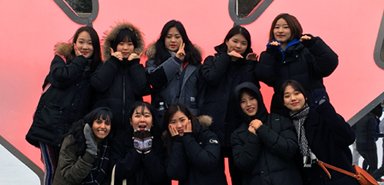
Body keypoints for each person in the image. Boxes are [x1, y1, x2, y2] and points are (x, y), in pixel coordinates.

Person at [26, 26, 102, 185]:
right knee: (52, 169)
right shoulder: (61, 60)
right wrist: (80, 60)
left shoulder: (96, 71)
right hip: (49, 126)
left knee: (66, 175)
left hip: (70, 132)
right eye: (81, 42)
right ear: (74, 44)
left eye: (90, 43)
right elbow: (61, 77)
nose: (85, 47)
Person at [199, 25, 259, 185]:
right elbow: (211, 78)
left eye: (243, 43)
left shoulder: (248, 65)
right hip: (213, 126)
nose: (238, 46)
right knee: (214, 176)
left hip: (237, 128)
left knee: (239, 175)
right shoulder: (211, 60)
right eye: (234, 41)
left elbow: (251, 89)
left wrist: (249, 65)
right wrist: (226, 57)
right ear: (226, 41)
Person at [256, 13, 339, 114]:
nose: (280, 31)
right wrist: (270, 53)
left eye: (286, 27)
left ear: (294, 29)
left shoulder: (307, 49)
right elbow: (265, 77)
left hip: (313, 105)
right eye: (276, 27)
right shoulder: (270, 54)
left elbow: (329, 64)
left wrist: (314, 44)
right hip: (283, 110)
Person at [281, 80, 359, 185]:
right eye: (287, 96)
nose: (293, 98)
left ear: (305, 96)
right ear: (283, 102)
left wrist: (325, 107)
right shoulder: (287, 127)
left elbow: (349, 137)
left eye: (297, 93)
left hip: (340, 180)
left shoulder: (321, 115)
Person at [231, 82, 302, 185]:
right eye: (243, 101)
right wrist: (253, 136)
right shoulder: (237, 134)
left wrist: (261, 129)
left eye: (252, 98)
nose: (249, 104)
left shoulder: (280, 120)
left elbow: (290, 149)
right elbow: (243, 165)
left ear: (259, 99)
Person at [91, 22, 150, 132]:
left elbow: (142, 89)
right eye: (121, 44)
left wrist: (134, 64)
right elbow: (98, 85)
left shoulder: (137, 67)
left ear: (135, 47)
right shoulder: (106, 65)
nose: (125, 48)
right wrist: (113, 62)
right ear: (114, 46)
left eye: (130, 44)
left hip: (132, 127)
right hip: (107, 126)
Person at [145, 20, 202, 121]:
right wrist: (175, 60)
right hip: (163, 116)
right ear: (163, 39)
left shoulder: (194, 61)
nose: (173, 40)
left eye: (177, 37)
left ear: (183, 39)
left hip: (189, 117)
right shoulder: (154, 60)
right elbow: (154, 81)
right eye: (169, 37)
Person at [163, 104, 227, 185]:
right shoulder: (170, 142)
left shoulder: (207, 135)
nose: (179, 126)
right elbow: (175, 174)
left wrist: (187, 138)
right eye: (173, 122)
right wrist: (178, 143)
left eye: (182, 120)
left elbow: (208, 162)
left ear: (189, 119)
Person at [110, 101, 169, 185]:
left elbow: (159, 177)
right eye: (137, 116)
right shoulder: (120, 141)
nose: (142, 119)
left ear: (152, 122)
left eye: (146, 116)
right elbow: (118, 173)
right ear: (131, 121)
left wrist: (148, 151)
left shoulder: (160, 142)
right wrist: (136, 150)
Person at [53, 107, 113, 185]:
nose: (103, 126)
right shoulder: (73, 140)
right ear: (91, 123)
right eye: (98, 122)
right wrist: (90, 152)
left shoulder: (107, 145)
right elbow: (69, 176)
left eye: (107, 123)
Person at [354, 104, 382, 174]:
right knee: (373, 166)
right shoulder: (372, 118)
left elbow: (353, 129)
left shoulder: (360, 117)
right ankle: (371, 179)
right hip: (369, 145)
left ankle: (365, 175)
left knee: (367, 161)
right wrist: (381, 135)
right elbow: (372, 134)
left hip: (359, 144)